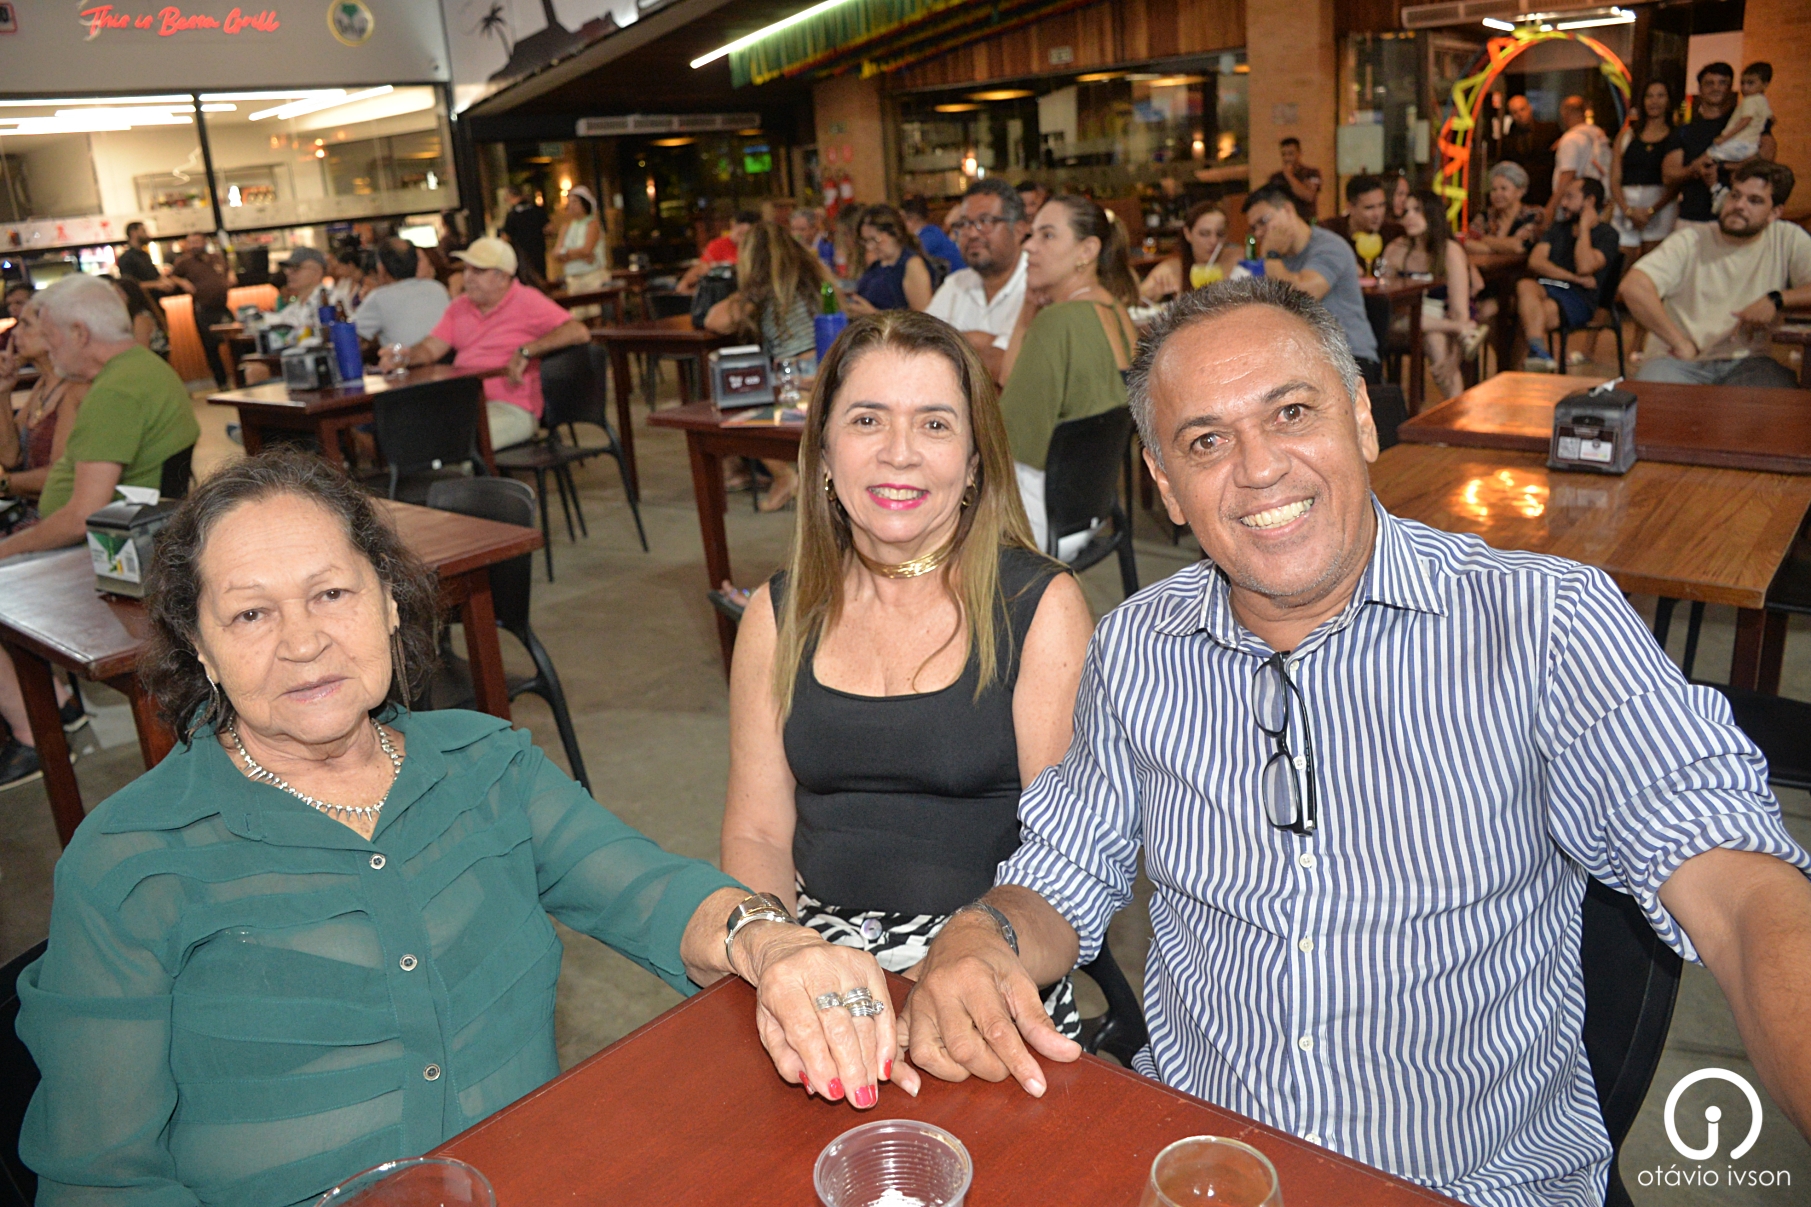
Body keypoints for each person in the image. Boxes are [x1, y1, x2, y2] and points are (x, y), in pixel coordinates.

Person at [898, 275, 1811, 1207]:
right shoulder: (1136, 646)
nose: (1259, 468)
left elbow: (1739, 889)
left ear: (1364, 423)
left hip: (1464, 1185)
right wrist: (981, 933)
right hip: (1205, 1168)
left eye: (1291, 412)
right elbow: (1063, 870)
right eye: (1206, 441)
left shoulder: (1542, 625)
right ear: (1164, 485)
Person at [15, 449, 907, 1205]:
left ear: (389, 600)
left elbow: (645, 887)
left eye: (331, 592)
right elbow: (98, 1180)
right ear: (201, 646)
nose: (302, 641)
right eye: (251, 613)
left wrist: (770, 941)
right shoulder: (133, 861)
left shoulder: (487, 766)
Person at [720, 309, 1093, 1023]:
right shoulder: (777, 615)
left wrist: (925, 984)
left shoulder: (1039, 608)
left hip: (985, 956)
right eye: (867, 420)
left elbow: (1066, 857)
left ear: (974, 462)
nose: (899, 453)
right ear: (823, 455)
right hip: (815, 956)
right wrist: (781, 956)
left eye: (934, 424)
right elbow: (756, 834)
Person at [0, 275, 199, 790]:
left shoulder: (116, 390)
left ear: (79, 333)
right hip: (136, 543)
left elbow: (80, 515)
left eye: (50, 334)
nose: (48, 347)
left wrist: (5, 549)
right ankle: (52, 708)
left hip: (103, 555)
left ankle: (35, 731)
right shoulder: (143, 370)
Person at [998, 195, 1139, 557]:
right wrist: (1029, 309)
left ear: (1087, 251)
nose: (1028, 246)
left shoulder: (1058, 323)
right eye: (1032, 235)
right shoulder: (1115, 310)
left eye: (1047, 235)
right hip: (1090, 512)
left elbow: (1007, 435)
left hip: (1036, 522)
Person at [379, 237, 590, 451]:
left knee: (454, 439)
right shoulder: (460, 306)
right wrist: (404, 357)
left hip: (512, 408)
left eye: (478, 271)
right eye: (466, 269)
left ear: (502, 277)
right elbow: (430, 348)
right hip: (467, 404)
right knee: (411, 431)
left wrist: (527, 350)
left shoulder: (527, 300)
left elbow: (578, 331)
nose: (467, 278)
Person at [1619, 160, 1809, 387]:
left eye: (1754, 201)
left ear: (1775, 212)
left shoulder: (1786, 238)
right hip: (1680, 361)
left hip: (1750, 362)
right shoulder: (1691, 239)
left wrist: (1776, 299)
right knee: (1651, 391)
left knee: (1778, 395)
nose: (1739, 206)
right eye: (1735, 195)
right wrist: (1679, 342)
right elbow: (1633, 286)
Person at [703, 221, 839, 511]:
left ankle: (782, 476)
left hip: (794, 376)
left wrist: (741, 294)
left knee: (739, 406)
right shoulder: (814, 274)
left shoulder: (763, 288)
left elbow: (715, 321)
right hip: (829, 369)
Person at [1241, 183, 1381, 380]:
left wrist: (1271, 256)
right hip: (1307, 357)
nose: (1259, 233)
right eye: (1254, 228)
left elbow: (1301, 295)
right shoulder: (1281, 260)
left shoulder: (1329, 247)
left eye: (1263, 221)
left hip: (1350, 357)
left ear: (1288, 210)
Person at [925, 178, 1030, 383]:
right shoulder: (956, 283)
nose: (972, 233)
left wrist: (953, 344)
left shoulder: (1038, 285)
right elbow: (920, 349)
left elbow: (1017, 370)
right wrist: (981, 342)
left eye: (985, 221)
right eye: (964, 224)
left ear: (1018, 229)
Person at [1381, 191, 1484, 400]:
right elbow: (1384, 292)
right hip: (1402, 317)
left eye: (1417, 210)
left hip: (1438, 317)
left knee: (1435, 340)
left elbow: (1460, 312)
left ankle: (1457, 409)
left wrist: (1454, 359)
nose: (1409, 217)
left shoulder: (1449, 250)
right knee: (1408, 322)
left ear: (1432, 214)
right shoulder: (1396, 248)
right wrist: (1459, 327)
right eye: (1406, 211)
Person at [1516, 177, 1620, 371]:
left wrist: (1584, 229)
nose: (1563, 203)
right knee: (1525, 286)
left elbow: (1585, 267)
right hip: (1550, 287)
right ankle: (1538, 355)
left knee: (1525, 316)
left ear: (1589, 201)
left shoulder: (1607, 235)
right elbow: (1535, 261)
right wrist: (1573, 278)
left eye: (1570, 197)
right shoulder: (1558, 228)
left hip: (1578, 298)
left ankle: (1526, 366)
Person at [0, 297, 87, 502]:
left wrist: (5, 483)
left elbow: (60, 476)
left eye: (26, 325)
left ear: (55, 333)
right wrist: (3, 392)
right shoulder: (44, 384)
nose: (15, 333)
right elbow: (11, 457)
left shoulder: (77, 387)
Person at [1611, 81, 1684, 257]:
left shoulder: (1676, 137)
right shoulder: (1627, 135)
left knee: (1653, 262)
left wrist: (1651, 210)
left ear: (1669, 101)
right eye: (1649, 96)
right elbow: (1614, 179)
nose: (1654, 101)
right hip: (1626, 204)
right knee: (1620, 262)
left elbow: (1676, 180)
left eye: (1660, 96)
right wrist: (1627, 210)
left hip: (1661, 206)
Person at [1665, 63, 1741, 229]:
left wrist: (1720, 166)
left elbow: (1763, 160)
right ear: (1700, 89)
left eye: (1722, 83)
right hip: (1692, 217)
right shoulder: (1685, 131)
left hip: (1735, 216)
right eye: (1709, 83)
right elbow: (1669, 175)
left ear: (1730, 88)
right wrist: (1695, 167)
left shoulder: (1742, 125)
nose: (1716, 88)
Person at [354, 238, 451, 354]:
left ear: (381, 268)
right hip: (448, 360)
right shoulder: (437, 288)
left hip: (407, 362)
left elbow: (349, 335)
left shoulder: (379, 297)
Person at [1139, 201, 1241, 302]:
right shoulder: (1172, 269)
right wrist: (1151, 296)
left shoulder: (1237, 261)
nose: (1213, 241)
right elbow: (1138, 297)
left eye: (1220, 234)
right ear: (1188, 233)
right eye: (1204, 234)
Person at [170, 232, 236, 387]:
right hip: (203, 308)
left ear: (205, 242)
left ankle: (241, 378)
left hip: (222, 307)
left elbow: (229, 268)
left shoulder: (216, 257)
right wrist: (183, 282)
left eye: (197, 242)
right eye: (191, 242)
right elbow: (171, 276)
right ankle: (222, 383)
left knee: (236, 341)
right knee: (211, 348)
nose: (194, 246)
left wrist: (231, 275)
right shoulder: (184, 262)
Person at [846, 205, 934, 314]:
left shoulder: (913, 265)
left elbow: (922, 317)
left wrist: (874, 313)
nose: (870, 247)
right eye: (866, 241)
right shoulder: (879, 264)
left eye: (875, 239)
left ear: (895, 233)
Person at [1548, 96, 1611, 225]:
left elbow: (1567, 175)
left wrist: (1551, 209)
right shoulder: (1599, 134)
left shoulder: (1570, 139)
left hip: (1574, 208)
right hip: (1600, 201)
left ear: (1566, 113)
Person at [1465, 161, 1545, 255]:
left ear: (1519, 192)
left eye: (1503, 189)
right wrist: (1503, 247)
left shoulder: (1533, 214)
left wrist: (1484, 239)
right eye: (1494, 189)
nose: (1497, 194)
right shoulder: (1484, 217)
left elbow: (1519, 246)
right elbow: (1468, 243)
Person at [1499, 94, 1561, 207]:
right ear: (1511, 115)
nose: (1519, 115)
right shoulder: (1508, 140)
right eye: (1515, 112)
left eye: (1522, 109)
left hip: (1547, 191)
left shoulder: (1550, 130)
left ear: (1530, 108)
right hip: (1521, 195)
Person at [1709, 62, 1773, 164]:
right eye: (1742, 83)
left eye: (1750, 83)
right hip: (1753, 144)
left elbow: (1745, 121)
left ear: (1765, 84)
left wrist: (1724, 138)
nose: (1745, 87)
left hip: (1738, 141)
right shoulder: (1763, 101)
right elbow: (1771, 118)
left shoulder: (1749, 100)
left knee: (1710, 155)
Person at [552, 186, 609, 294]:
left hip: (592, 277)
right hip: (573, 278)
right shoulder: (566, 227)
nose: (571, 206)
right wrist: (577, 255)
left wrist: (566, 254)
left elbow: (587, 250)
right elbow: (556, 253)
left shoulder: (592, 224)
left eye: (575, 202)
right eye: (570, 202)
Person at [901, 195, 965, 276]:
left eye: (901, 220)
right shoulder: (931, 232)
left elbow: (907, 260)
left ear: (912, 219)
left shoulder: (929, 236)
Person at [501, 182, 550, 281]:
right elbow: (549, 229)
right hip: (538, 251)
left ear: (510, 196)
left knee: (526, 280)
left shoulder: (512, 214)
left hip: (522, 254)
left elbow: (505, 237)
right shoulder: (536, 209)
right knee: (540, 278)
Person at [114, 278, 170, 361]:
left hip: (152, 362)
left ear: (130, 295)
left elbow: (141, 351)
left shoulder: (141, 318)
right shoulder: (129, 317)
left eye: (118, 292)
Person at [1266, 137, 1323, 218]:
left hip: (1307, 221)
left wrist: (1289, 176)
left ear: (1299, 153)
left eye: (1290, 154)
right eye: (1283, 154)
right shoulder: (1276, 177)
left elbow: (1309, 196)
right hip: (1285, 221)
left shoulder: (1312, 173)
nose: (1287, 158)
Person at [114, 222, 164, 293]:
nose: (147, 234)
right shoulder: (126, 258)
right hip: (143, 298)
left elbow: (156, 275)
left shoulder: (145, 255)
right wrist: (156, 285)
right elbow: (131, 285)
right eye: (144, 231)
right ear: (133, 233)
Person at [326, 237, 370, 315]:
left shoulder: (367, 281)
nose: (338, 271)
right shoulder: (345, 282)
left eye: (340, 267)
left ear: (350, 265)